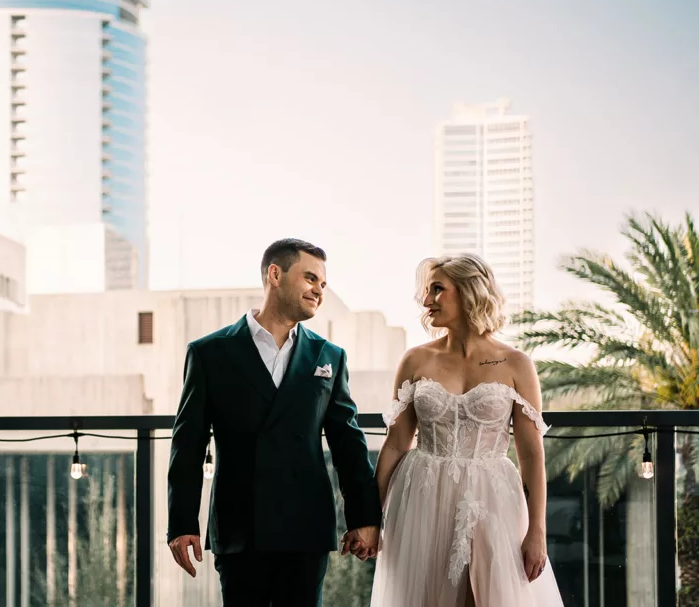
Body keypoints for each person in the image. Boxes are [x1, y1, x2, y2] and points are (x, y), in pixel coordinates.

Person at [166, 238, 381, 606]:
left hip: (305, 527)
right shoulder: (209, 353)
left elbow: (348, 442)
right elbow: (188, 444)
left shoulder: (329, 355)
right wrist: (183, 523)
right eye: (310, 278)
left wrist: (364, 516)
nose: (318, 290)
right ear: (275, 274)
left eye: (323, 284)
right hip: (240, 526)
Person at [369, 253, 564, 605]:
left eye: (437, 290)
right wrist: (369, 519)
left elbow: (532, 454)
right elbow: (396, 443)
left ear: (469, 291)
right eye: (427, 292)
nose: (426, 301)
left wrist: (537, 531)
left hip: (492, 498)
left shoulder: (517, 364)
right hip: (421, 498)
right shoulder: (415, 360)